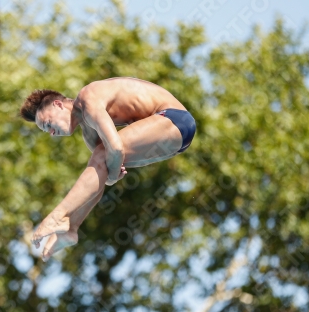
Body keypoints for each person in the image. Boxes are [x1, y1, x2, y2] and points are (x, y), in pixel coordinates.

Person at [19, 77, 196, 261]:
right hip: (175, 138)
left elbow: (116, 150)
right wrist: (112, 169)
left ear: (58, 105)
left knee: (103, 155)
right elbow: (105, 175)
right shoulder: (88, 132)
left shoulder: (88, 97)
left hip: (174, 119)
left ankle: (59, 216)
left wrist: (112, 167)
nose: (52, 133)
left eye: (48, 124)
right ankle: (70, 228)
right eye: (47, 131)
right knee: (100, 158)